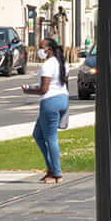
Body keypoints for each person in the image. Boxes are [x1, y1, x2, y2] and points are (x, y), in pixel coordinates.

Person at [22, 36, 71, 182]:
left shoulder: (48, 65)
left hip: (50, 102)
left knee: (50, 138)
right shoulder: (63, 63)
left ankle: (56, 173)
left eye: (41, 47)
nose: (39, 50)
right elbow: (61, 83)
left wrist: (28, 90)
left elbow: (44, 89)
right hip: (63, 99)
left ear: (48, 49)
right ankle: (51, 168)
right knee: (38, 134)